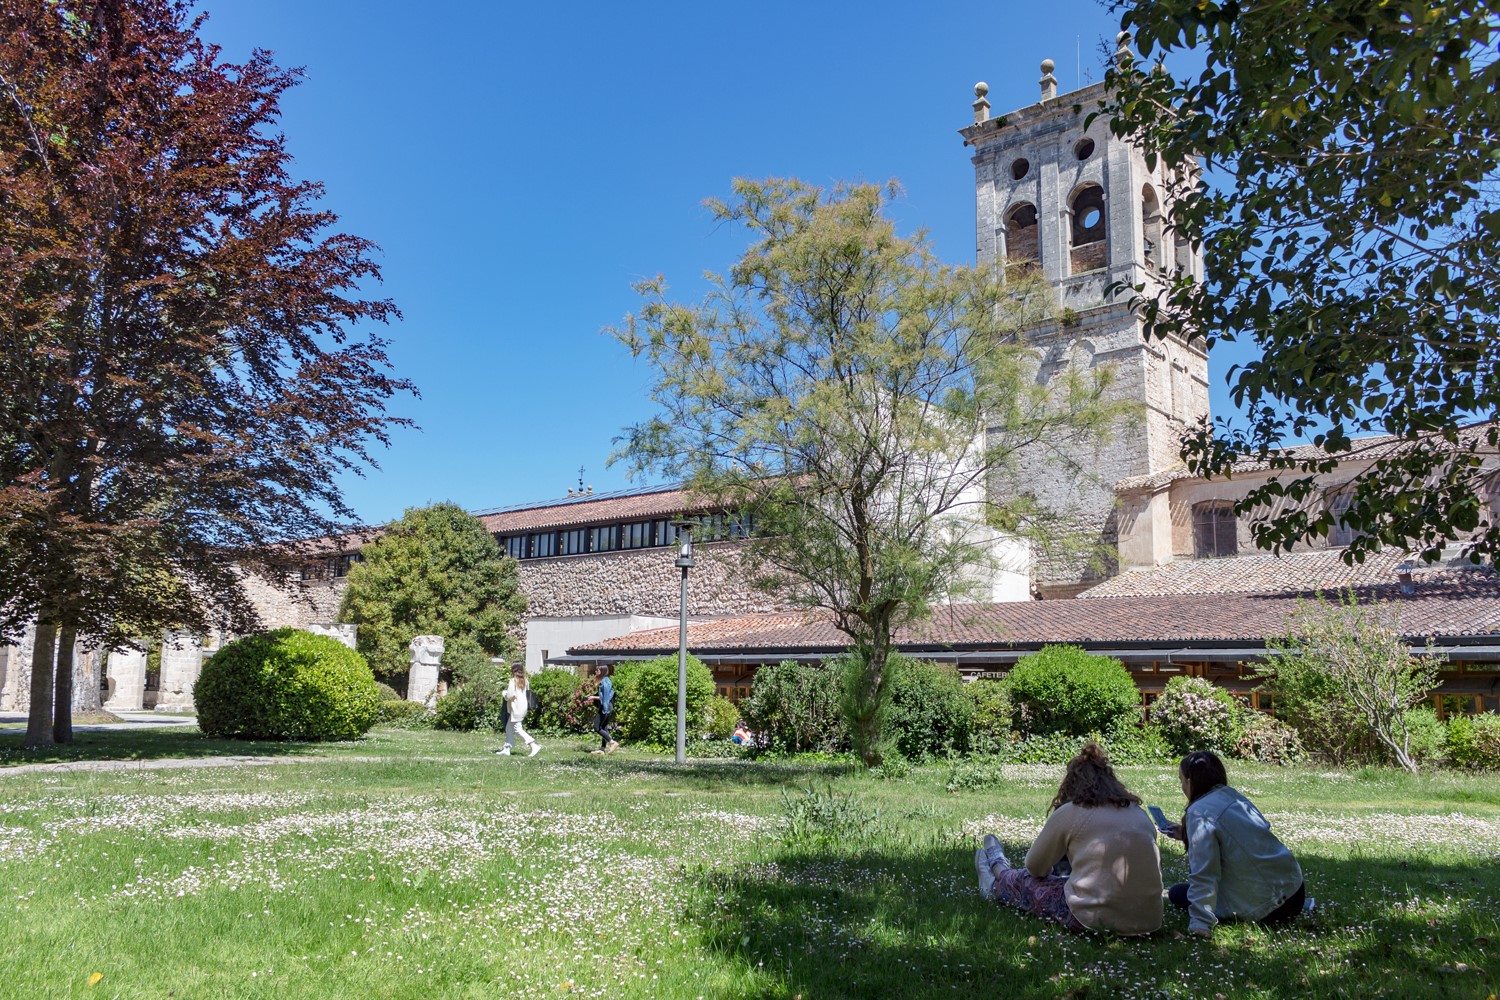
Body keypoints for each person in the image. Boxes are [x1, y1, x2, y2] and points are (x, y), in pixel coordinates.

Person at [975, 742, 1162, 935]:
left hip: (1091, 918)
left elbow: (1035, 868)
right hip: (1149, 920)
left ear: (1071, 784)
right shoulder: (1139, 814)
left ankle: (995, 874)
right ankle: (996, 866)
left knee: (1025, 880)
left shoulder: (1072, 811)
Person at [1162, 750, 1304, 937]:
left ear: (1190, 781)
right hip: (1295, 890)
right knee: (1183, 892)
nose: (1181, 786)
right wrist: (1186, 834)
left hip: (1270, 906)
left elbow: (1205, 872)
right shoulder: (1232, 796)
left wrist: (1200, 923)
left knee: (1178, 893)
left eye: (1181, 780)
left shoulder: (1198, 812)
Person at [496, 666, 541, 757]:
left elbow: (510, 695)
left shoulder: (513, 681)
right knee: (509, 727)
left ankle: (533, 745)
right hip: (522, 708)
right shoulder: (525, 680)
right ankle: (507, 748)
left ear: (513, 671)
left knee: (517, 728)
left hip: (516, 708)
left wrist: (504, 694)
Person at [585, 665, 618, 755]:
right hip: (607, 706)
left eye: (597, 671)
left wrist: (593, 697)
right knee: (604, 727)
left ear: (602, 672)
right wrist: (592, 695)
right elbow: (602, 694)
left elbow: (605, 698)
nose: (595, 672)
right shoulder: (605, 680)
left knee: (597, 727)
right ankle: (602, 749)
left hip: (605, 707)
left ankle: (612, 742)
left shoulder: (604, 682)